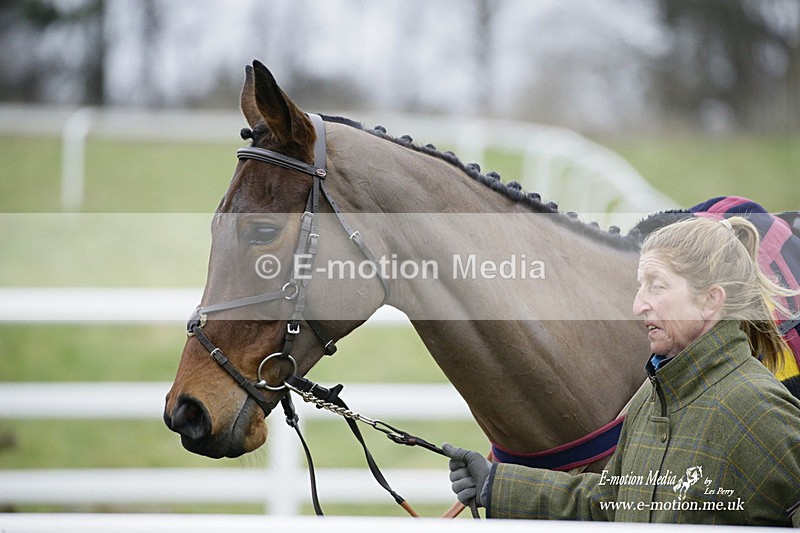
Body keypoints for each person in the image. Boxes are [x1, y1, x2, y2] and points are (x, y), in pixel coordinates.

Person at [444, 216, 800, 525]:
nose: (637, 305)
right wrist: (496, 484)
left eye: (656, 287)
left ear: (711, 299)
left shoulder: (758, 412)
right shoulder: (650, 397)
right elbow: (610, 502)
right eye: (640, 287)